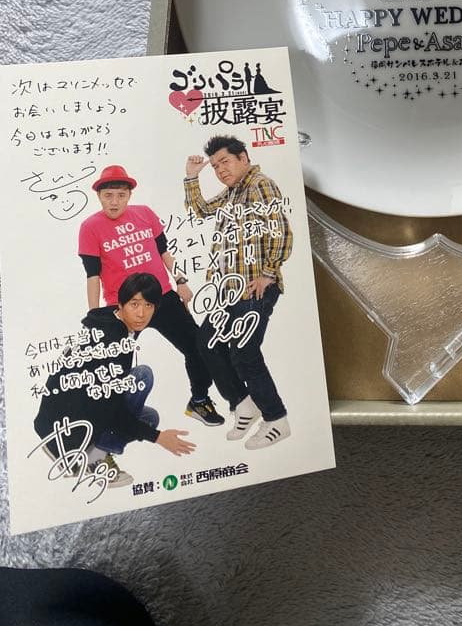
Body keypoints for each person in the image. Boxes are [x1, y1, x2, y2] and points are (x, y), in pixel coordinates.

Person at [78, 164, 225, 428]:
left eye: (121, 195)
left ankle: (199, 400)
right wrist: (94, 315)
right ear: (99, 196)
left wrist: (180, 281)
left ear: (129, 195)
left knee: (198, 347)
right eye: (108, 195)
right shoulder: (90, 227)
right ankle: (108, 418)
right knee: (114, 365)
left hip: (163, 297)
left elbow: (164, 252)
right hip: (123, 306)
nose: (114, 201)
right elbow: (92, 275)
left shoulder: (145, 213)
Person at [33, 273, 196, 487]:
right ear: (121, 303)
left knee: (149, 418)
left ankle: (83, 447)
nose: (141, 313)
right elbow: (110, 409)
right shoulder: (112, 341)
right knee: (142, 376)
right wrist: (158, 437)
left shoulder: (111, 321)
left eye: (148, 305)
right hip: (65, 428)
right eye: (134, 304)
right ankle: (92, 456)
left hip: (59, 418)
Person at [183, 135, 293, 450]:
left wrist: (268, 273)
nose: (220, 170)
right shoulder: (234, 192)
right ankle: (244, 404)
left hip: (254, 289)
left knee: (244, 353)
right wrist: (192, 177)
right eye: (215, 166)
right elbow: (201, 211)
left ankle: (277, 419)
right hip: (229, 292)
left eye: (225, 162)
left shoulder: (260, 185)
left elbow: (281, 231)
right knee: (206, 342)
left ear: (243, 158)